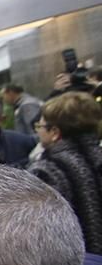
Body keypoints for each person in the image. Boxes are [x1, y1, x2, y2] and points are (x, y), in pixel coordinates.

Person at [27, 91, 102, 254]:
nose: (38, 132)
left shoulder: (46, 170)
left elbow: (37, 233)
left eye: (40, 126)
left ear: (54, 132)